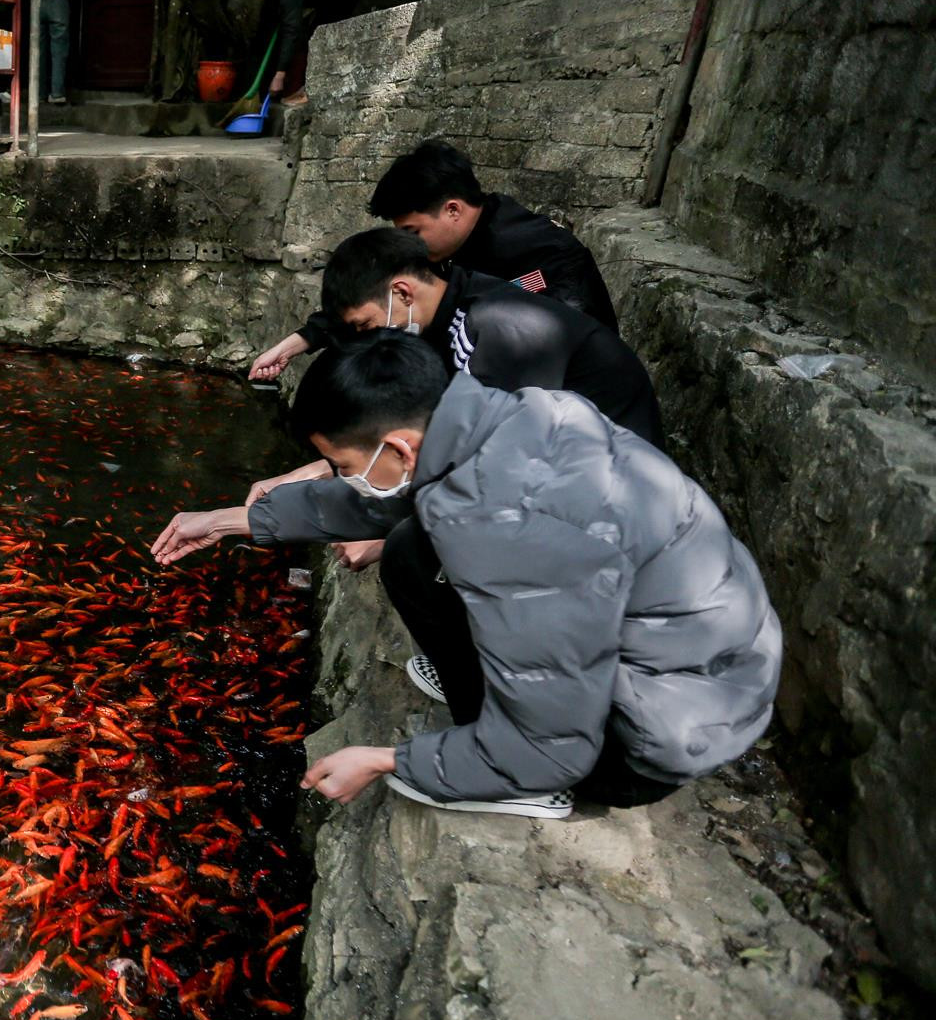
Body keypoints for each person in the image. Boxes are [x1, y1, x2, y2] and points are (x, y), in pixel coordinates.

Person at [152, 335, 781, 819]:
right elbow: (377, 500)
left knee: (436, 571)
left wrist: (389, 760)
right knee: (408, 549)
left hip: (656, 739)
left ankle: (527, 789)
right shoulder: (514, 416)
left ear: (399, 447)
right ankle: (489, 702)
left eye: (342, 463)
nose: (343, 476)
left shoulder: (508, 527)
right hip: (707, 662)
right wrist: (233, 521)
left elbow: (553, 743)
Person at [246, 226, 662, 704]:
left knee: (414, 554)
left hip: (606, 510)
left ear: (401, 292)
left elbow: (483, 470)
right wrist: (295, 483)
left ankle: (507, 703)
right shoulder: (455, 314)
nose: (370, 342)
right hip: (563, 484)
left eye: (366, 326)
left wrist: (382, 531)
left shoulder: (505, 328)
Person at [250, 141, 618, 382]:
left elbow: (563, 353)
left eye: (413, 231)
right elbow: (374, 295)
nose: (410, 245)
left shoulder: (543, 255)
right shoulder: (448, 246)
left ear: (453, 210)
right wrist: (302, 340)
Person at [227, 0, 358, 107]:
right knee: (269, 32)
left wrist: (279, 76)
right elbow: (264, 34)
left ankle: (313, 90)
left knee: (320, 34)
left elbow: (292, 28)